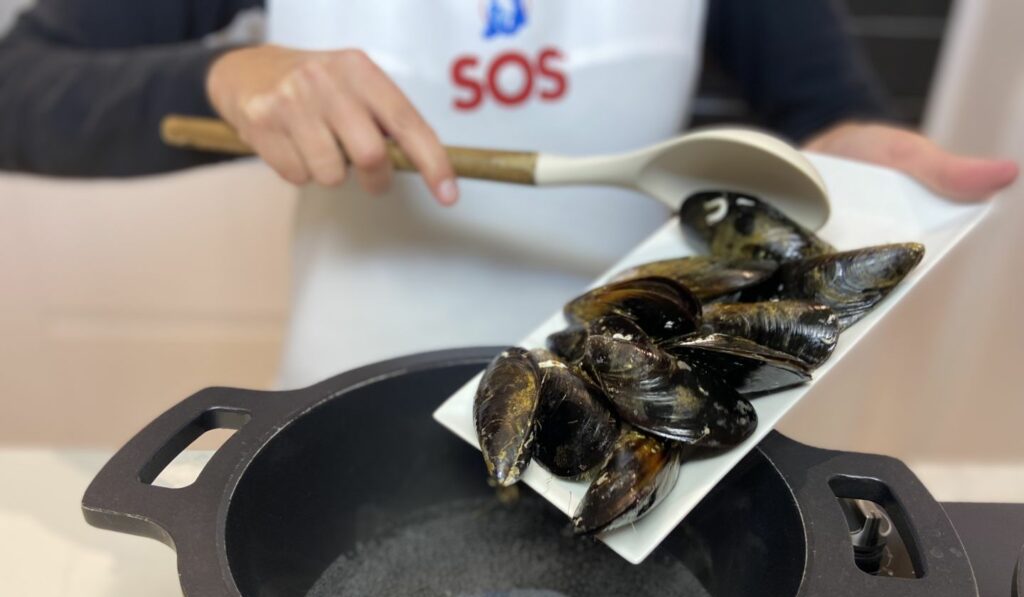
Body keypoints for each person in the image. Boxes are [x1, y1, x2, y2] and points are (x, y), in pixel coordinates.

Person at [0, 0, 1016, 387]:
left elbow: (821, 113)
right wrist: (227, 74)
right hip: (352, 395)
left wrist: (855, 162)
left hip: (625, 389)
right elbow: (19, 86)